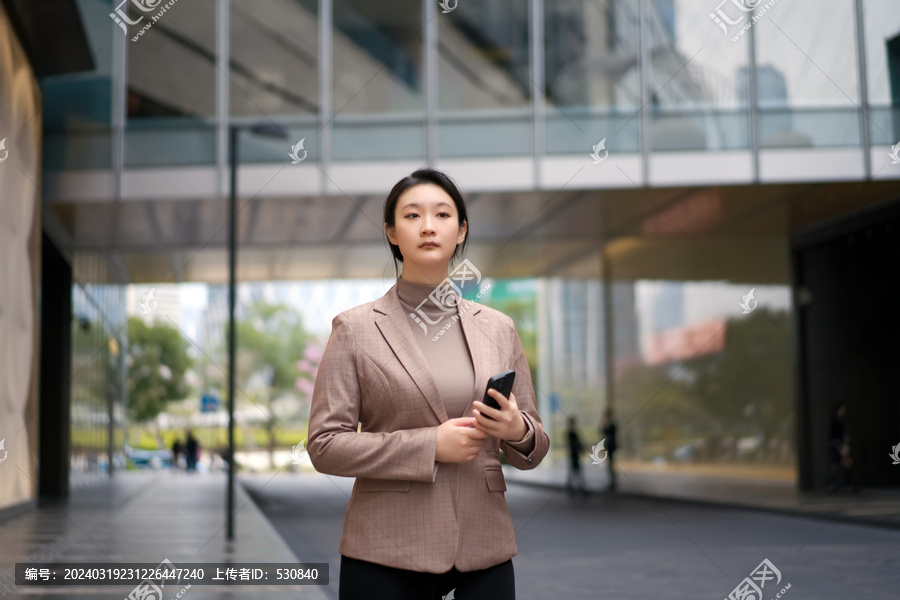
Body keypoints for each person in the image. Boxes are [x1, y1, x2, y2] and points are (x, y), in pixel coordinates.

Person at [308, 168, 550, 600]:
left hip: (484, 548)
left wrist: (517, 430)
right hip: (386, 551)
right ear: (391, 232)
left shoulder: (499, 328)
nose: (427, 227)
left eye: (441, 215)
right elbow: (325, 445)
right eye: (412, 215)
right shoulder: (354, 329)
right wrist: (428, 445)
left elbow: (533, 448)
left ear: (461, 231)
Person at [566, 416, 586, 498]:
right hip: (574, 454)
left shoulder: (570, 433)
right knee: (577, 471)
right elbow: (576, 444)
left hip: (573, 454)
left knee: (574, 471)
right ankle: (579, 487)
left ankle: (572, 487)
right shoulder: (572, 433)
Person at [601, 408, 618, 491]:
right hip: (608, 446)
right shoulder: (608, 425)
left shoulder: (612, 426)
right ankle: (612, 481)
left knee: (610, 464)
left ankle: (613, 481)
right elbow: (602, 431)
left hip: (611, 447)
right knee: (609, 465)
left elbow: (609, 434)